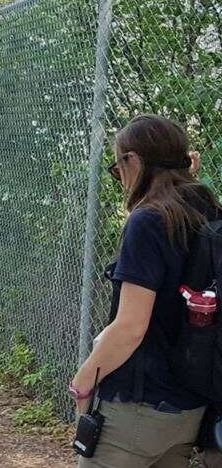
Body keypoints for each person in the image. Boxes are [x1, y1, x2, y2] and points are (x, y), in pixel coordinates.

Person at [70, 114, 217, 467]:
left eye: (117, 168)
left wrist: (83, 382)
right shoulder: (208, 210)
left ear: (132, 160)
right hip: (189, 407)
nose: (119, 178)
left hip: (136, 410)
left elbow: (131, 327)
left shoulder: (148, 220)